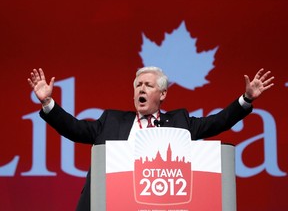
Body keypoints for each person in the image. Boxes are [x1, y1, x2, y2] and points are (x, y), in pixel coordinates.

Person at [27, 66, 274, 211]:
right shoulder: (112, 120)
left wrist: (246, 99)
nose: (141, 89)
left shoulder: (181, 122)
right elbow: (75, 129)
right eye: (138, 85)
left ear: (163, 93)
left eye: (148, 85)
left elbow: (218, 122)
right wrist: (48, 102)